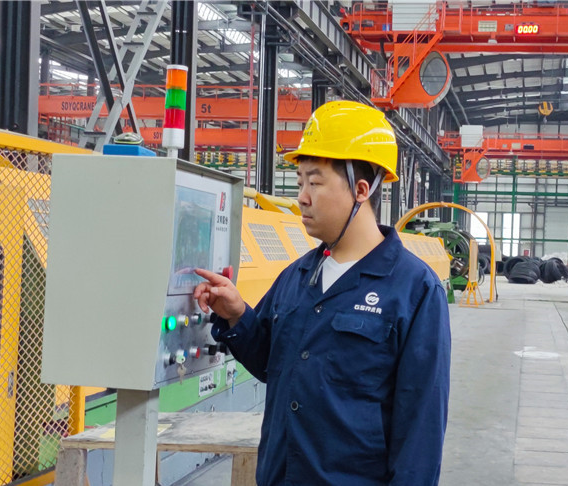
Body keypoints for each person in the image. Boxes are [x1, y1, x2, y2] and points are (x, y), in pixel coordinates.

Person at [193, 101, 451, 485]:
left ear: (361, 190)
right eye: (300, 182)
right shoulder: (297, 277)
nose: (302, 197)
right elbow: (270, 364)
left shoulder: (414, 290)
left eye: (314, 183)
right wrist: (237, 315)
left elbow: (420, 432)